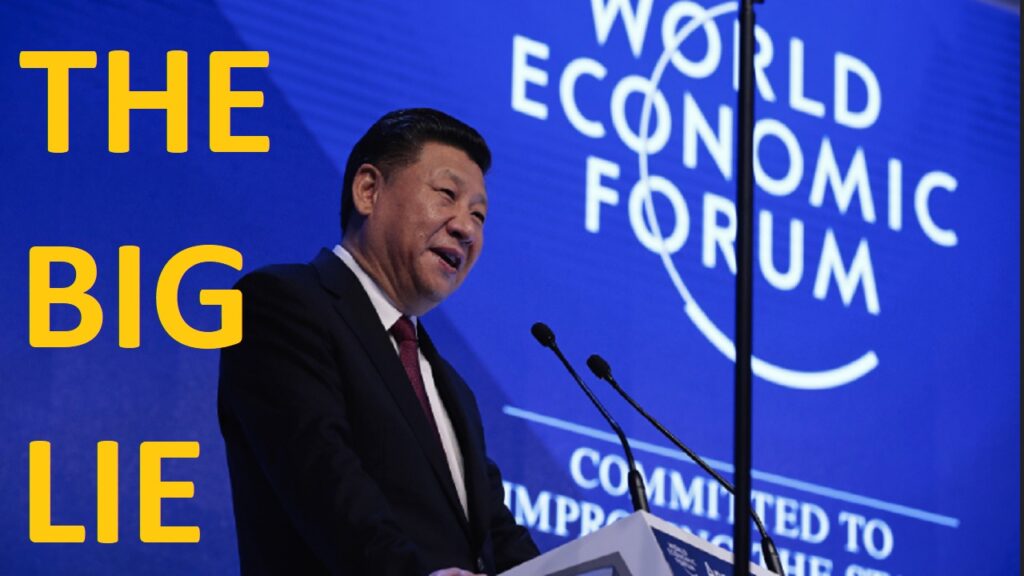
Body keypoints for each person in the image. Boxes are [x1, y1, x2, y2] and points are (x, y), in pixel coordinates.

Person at [218, 108, 540, 575]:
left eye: (479, 215)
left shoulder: (453, 391)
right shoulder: (281, 305)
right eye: (447, 195)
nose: (467, 229)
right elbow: (323, 485)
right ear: (368, 191)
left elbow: (499, 540)